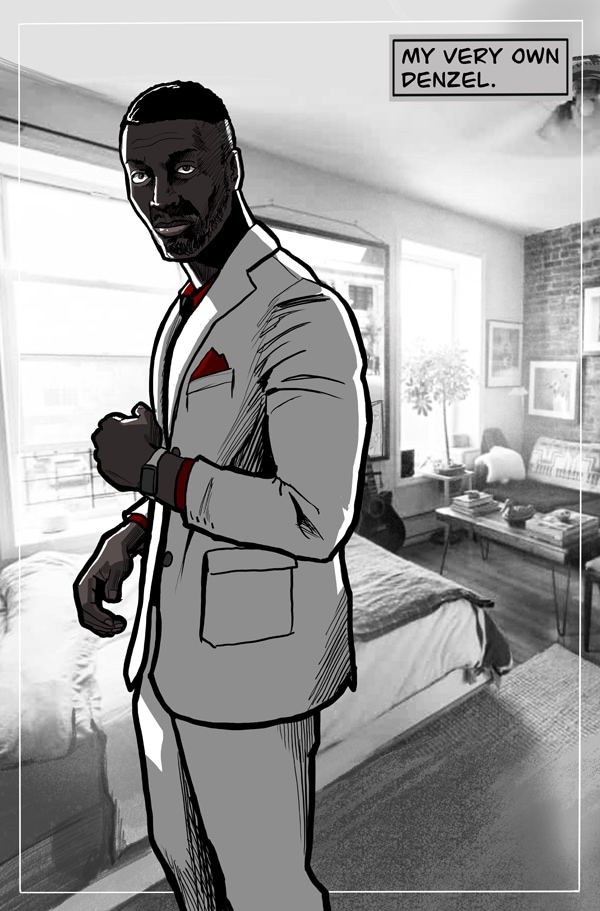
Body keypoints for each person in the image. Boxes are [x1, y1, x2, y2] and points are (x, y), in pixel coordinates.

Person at [74, 80, 369, 911]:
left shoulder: (302, 312)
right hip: (165, 661)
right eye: (140, 176)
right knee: (187, 866)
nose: (159, 197)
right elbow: (200, 464)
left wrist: (152, 472)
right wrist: (131, 533)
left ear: (230, 165)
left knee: (269, 887)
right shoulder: (186, 309)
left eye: (182, 168)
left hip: (254, 671)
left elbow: (315, 515)